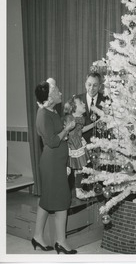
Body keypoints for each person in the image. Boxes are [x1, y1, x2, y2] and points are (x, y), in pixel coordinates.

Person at [33, 77, 77, 254]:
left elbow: (55, 134)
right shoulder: (43, 114)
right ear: (50, 99)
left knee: (47, 200)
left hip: (57, 163)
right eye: (57, 91)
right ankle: (61, 241)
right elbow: (51, 141)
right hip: (51, 165)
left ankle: (37, 236)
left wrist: (64, 135)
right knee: (61, 200)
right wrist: (67, 130)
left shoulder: (51, 111)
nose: (60, 92)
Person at [63, 95, 97, 195]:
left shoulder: (80, 118)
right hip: (73, 145)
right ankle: (61, 187)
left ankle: (78, 189)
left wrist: (94, 124)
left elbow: (81, 130)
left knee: (80, 167)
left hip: (78, 143)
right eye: (80, 103)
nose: (83, 104)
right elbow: (66, 131)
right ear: (74, 108)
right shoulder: (70, 119)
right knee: (72, 167)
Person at [78, 72, 106, 144]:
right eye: (89, 85)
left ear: (100, 86)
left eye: (95, 85)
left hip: (100, 143)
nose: (91, 88)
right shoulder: (77, 100)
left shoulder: (106, 100)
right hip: (81, 144)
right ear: (85, 84)